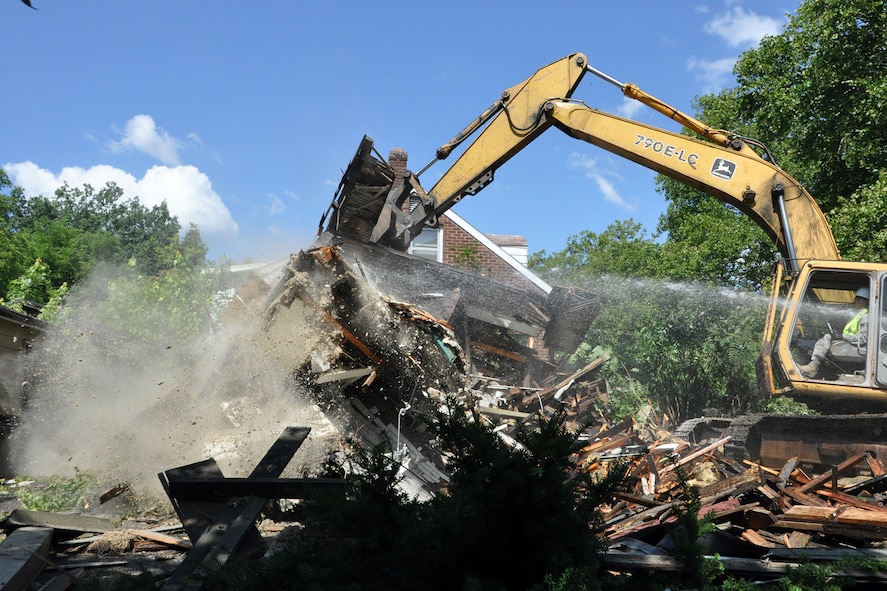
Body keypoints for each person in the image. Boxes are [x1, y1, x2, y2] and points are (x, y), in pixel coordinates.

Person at [798, 286, 869, 378]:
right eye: (856, 298)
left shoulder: (865, 316)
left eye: (858, 299)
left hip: (856, 347)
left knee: (827, 337)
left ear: (865, 301)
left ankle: (813, 367)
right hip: (851, 345)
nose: (855, 301)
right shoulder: (858, 314)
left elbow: (863, 338)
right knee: (826, 337)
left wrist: (842, 337)